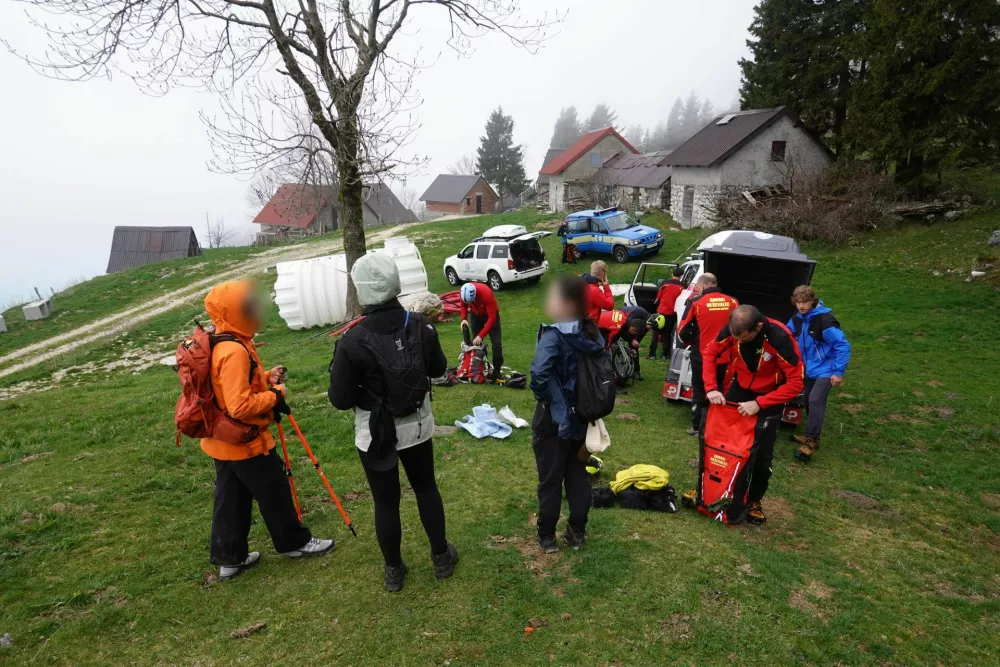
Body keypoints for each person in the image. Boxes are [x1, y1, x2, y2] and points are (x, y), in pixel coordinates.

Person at [329, 253, 457, 592]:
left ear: (362, 290)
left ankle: (393, 569)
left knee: (385, 501)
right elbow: (437, 369)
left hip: (375, 431)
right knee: (426, 487)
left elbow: (340, 400)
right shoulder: (420, 325)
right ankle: (441, 556)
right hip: (416, 423)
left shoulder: (351, 341)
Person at [201, 279, 334, 581]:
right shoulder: (233, 350)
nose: (256, 310)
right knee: (274, 491)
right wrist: (276, 394)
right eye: (250, 306)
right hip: (245, 441)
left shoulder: (223, 341)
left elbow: (230, 385)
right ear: (236, 311)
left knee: (230, 500)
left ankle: (230, 560)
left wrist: (264, 376)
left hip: (222, 442)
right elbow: (239, 405)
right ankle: (296, 543)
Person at [702, 305, 805, 525]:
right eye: (735, 338)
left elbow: (796, 382)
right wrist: (711, 387)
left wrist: (760, 403)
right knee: (723, 444)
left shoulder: (780, 338)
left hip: (769, 397)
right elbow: (710, 352)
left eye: (745, 339)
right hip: (739, 389)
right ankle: (717, 490)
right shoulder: (733, 331)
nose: (739, 342)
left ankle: (755, 499)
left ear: (759, 327)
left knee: (761, 454)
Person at [530, 275, 606, 554]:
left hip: (553, 421)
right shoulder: (592, 333)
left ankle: (547, 536)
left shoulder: (554, 336)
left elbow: (539, 375)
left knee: (550, 479)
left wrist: (550, 402)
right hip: (585, 420)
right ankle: (577, 531)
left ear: (565, 303)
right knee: (578, 475)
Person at [787, 285, 852, 462]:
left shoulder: (824, 321)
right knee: (808, 401)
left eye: (805, 302)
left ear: (813, 301)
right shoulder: (797, 319)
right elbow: (786, 334)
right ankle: (812, 435)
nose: (801, 306)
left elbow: (843, 345)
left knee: (816, 400)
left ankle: (811, 442)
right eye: (798, 302)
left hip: (826, 370)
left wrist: (838, 372)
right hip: (808, 369)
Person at [676, 274, 738, 436]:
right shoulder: (733, 301)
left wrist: (691, 342)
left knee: (699, 390)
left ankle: (697, 427)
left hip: (702, 356)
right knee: (722, 390)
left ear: (702, 286)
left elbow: (682, 330)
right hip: (725, 356)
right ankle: (716, 428)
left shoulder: (696, 302)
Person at [459, 281, 503, 381]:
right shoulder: (463, 292)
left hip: (491, 315)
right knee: (476, 343)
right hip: (475, 314)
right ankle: (481, 368)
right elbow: (463, 306)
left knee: (496, 344)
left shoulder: (486, 293)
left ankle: (497, 371)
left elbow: (492, 318)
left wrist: (481, 335)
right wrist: (464, 318)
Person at [647, 266, 685, 361]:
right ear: (681, 275)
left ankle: (652, 354)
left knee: (655, 333)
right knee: (667, 334)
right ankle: (664, 354)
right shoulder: (683, 286)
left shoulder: (665, 283)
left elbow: (658, 297)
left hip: (661, 312)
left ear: (672, 274)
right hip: (672, 313)